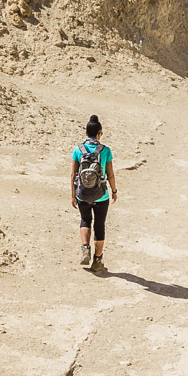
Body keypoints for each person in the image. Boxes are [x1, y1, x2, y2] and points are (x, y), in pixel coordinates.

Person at [69, 115, 117, 273]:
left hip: (82, 193)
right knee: (99, 225)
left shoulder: (78, 150)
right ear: (99, 134)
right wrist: (114, 191)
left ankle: (85, 249)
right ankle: (97, 260)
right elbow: (110, 174)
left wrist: (73, 195)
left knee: (85, 219)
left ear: (86, 132)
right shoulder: (106, 150)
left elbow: (73, 174)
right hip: (101, 194)